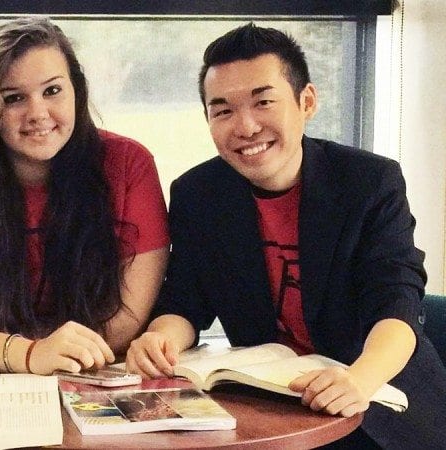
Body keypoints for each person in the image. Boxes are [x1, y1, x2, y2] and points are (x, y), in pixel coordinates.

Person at [126, 23, 446, 449]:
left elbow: (397, 304)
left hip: (379, 396)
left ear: (306, 101)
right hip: (275, 406)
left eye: (263, 102)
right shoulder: (198, 194)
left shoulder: (368, 181)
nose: (245, 126)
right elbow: (185, 300)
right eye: (222, 110)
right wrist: (159, 338)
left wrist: (358, 378)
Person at [0, 17, 169, 376]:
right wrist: (31, 353)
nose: (38, 114)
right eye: (13, 98)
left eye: (52, 91)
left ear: (77, 89)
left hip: (98, 370)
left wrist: (54, 355)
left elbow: (129, 317)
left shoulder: (129, 163)